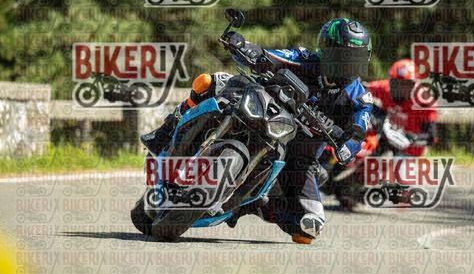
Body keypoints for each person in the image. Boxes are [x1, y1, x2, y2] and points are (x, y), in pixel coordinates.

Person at [141, 17, 373, 244]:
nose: (347, 64)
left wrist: (347, 145)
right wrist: (244, 46)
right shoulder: (304, 59)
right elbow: (270, 55)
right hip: (264, 112)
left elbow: (358, 131)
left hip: (299, 158)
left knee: (308, 228)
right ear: (326, 49)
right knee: (212, 81)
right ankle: (165, 131)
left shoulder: (360, 97)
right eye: (343, 56)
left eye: (355, 59)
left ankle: (256, 203)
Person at [366, 59, 437, 157]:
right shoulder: (384, 88)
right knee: (362, 154)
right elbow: (359, 90)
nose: (402, 88)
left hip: (409, 148)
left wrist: (411, 138)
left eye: (407, 84)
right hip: (384, 139)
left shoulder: (424, 101)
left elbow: (431, 137)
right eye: (397, 83)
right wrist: (374, 115)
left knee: (400, 163)